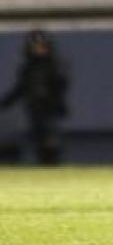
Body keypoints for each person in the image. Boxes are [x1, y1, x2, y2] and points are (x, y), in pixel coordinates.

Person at [1, 30, 69, 165]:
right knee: (39, 139)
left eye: (42, 46)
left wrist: (56, 103)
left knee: (49, 140)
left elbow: (60, 86)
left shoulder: (54, 66)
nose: (39, 49)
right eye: (35, 47)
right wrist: (5, 103)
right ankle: (45, 162)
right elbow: (21, 88)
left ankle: (51, 162)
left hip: (49, 109)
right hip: (34, 109)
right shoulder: (27, 68)